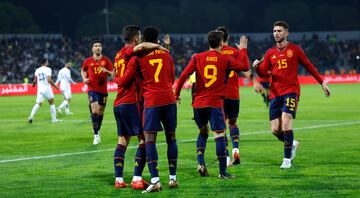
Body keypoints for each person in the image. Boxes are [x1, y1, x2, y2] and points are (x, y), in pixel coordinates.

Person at [253, 21, 331, 169]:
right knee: (275, 130)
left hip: (291, 91)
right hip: (275, 94)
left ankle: (286, 160)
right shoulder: (270, 53)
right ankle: (292, 143)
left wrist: (322, 82)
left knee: (286, 120)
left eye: (279, 31)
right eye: (274, 31)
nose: (276, 33)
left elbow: (308, 65)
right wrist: (257, 67)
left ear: (286, 33)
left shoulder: (295, 50)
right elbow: (263, 73)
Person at [175, 30, 250, 179]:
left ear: (208, 42)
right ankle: (222, 173)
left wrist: (176, 94)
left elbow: (183, 75)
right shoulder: (225, 59)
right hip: (215, 103)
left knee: (203, 132)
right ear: (222, 43)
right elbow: (244, 66)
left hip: (198, 103)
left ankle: (201, 162)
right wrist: (242, 49)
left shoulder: (197, 57)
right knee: (219, 135)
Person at [115, 26, 178, 193]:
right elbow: (171, 78)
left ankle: (155, 180)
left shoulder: (138, 56)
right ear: (156, 39)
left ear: (143, 40)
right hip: (169, 99)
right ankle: (173, 178)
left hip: (151, 100)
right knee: (171, 138)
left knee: (149, 139)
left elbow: (127, 78)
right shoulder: (166, 54)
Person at [216, 26, 264, 166]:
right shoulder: (235, 52)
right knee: (232, 123)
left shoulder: (214, 53)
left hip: (219, 94)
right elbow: (245, 68)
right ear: (228, 38)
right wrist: (255, 82)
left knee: (220, 126)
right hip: (233, 95)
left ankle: (225, 158)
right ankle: (235, 148)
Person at [81, 40, 113, 145]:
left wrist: (106, 71)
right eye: (96, 46)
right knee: (94, 111)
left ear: (101, 48)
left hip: (103, 91)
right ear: (92, 49)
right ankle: (96, 135)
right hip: (92, 89)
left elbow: (113, 74)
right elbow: (83, 70)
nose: (98, 47)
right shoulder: (88, 61)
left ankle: (97, 129)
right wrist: (84, 78)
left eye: (99, 46)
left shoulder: (106, 61)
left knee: (100, 112)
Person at [28, 58, 61, 123]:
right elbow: (48, 79)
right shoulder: (48, 69)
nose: (48, 63)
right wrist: (55, 86)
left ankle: (31, 116)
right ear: (45, 62)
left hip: (40, 89)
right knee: (52, 102)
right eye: (47, 62)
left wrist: (33, 85)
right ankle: (54, 119)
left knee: (38, 103)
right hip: (46, 88)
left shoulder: (37, 70)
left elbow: (35, 80)